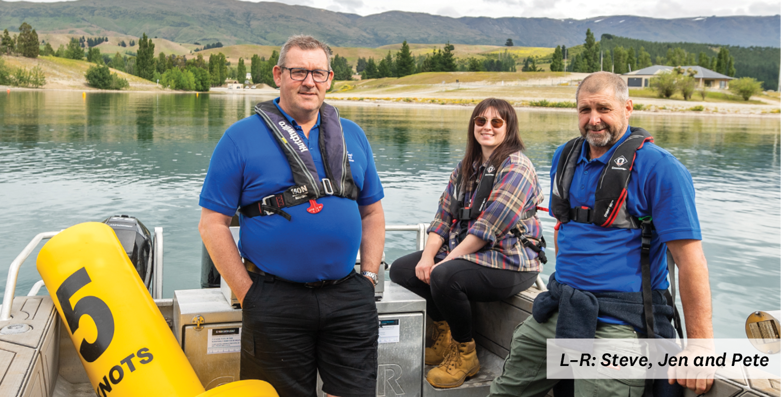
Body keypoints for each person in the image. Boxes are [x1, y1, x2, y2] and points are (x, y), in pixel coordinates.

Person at [488, 72, 714, 397]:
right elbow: (562, 227)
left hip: (622, 320)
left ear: (627, 108)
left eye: (604, 109)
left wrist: (700, 348)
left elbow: (692, 262)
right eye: (584, 110)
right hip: (562, 306)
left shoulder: (660, 169)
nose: (594, 120)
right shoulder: (564, 158)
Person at [198, 35, 385, 397]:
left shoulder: (354, 136)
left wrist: (370, 277)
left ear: (330, 78)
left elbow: (373, 212)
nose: (309, 81)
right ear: (278, 74)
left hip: (348, 296)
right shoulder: (239, 138)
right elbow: (212, 224)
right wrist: (247, 294)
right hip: (274, 300)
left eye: (318, 73)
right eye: (299, 71)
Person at [389, 98, 545, 389]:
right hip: (472, 256)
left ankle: (464, 354)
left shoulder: (518, 167)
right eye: (480, 121)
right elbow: (443, 218)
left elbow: (490, 227)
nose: (487, 127)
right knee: (402, 270)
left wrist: (446, 261)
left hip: (510, 261)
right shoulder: (466, 168)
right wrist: (428, 257)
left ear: (508, 128)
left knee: (445, 274)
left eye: (496, 122)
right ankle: (442, 334)